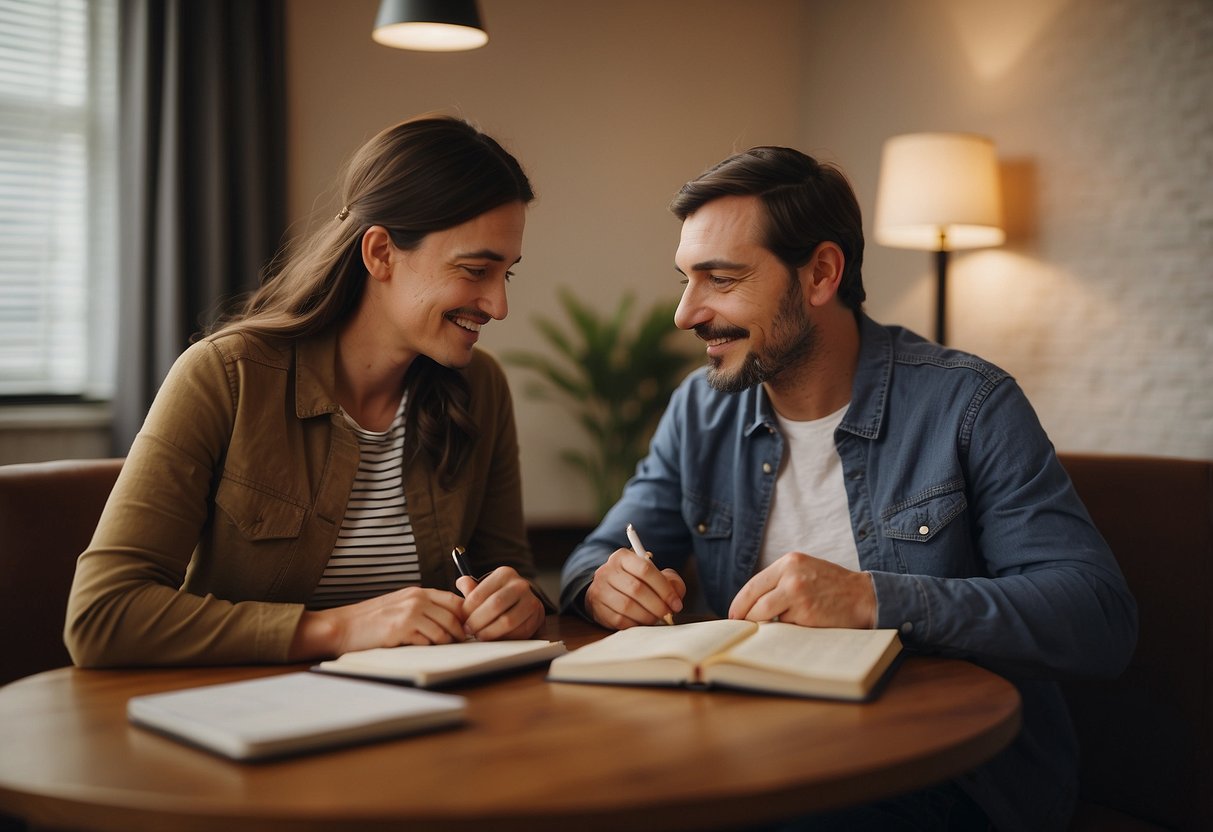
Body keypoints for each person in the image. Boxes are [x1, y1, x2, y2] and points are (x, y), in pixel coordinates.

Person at [560, 146, 1137, 831]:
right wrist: (603, 582)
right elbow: (594, 554)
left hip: (949, 778)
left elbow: (1098, 618)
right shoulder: (699, 409)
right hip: (752, 753)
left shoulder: (970, 404)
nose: (686, 313)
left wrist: (870, 598)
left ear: (821, 274)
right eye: (686, 279)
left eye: (719, 278)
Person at [66, 115, 549, 668]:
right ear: (381, 253)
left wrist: (520, 604)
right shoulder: (225, 378)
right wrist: (336, 629)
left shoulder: (480, 388)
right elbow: (100, 615)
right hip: (248, 723)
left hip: (428, 722)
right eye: (474, 270)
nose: (498, 306)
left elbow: (513, 571)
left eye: (505, 275)